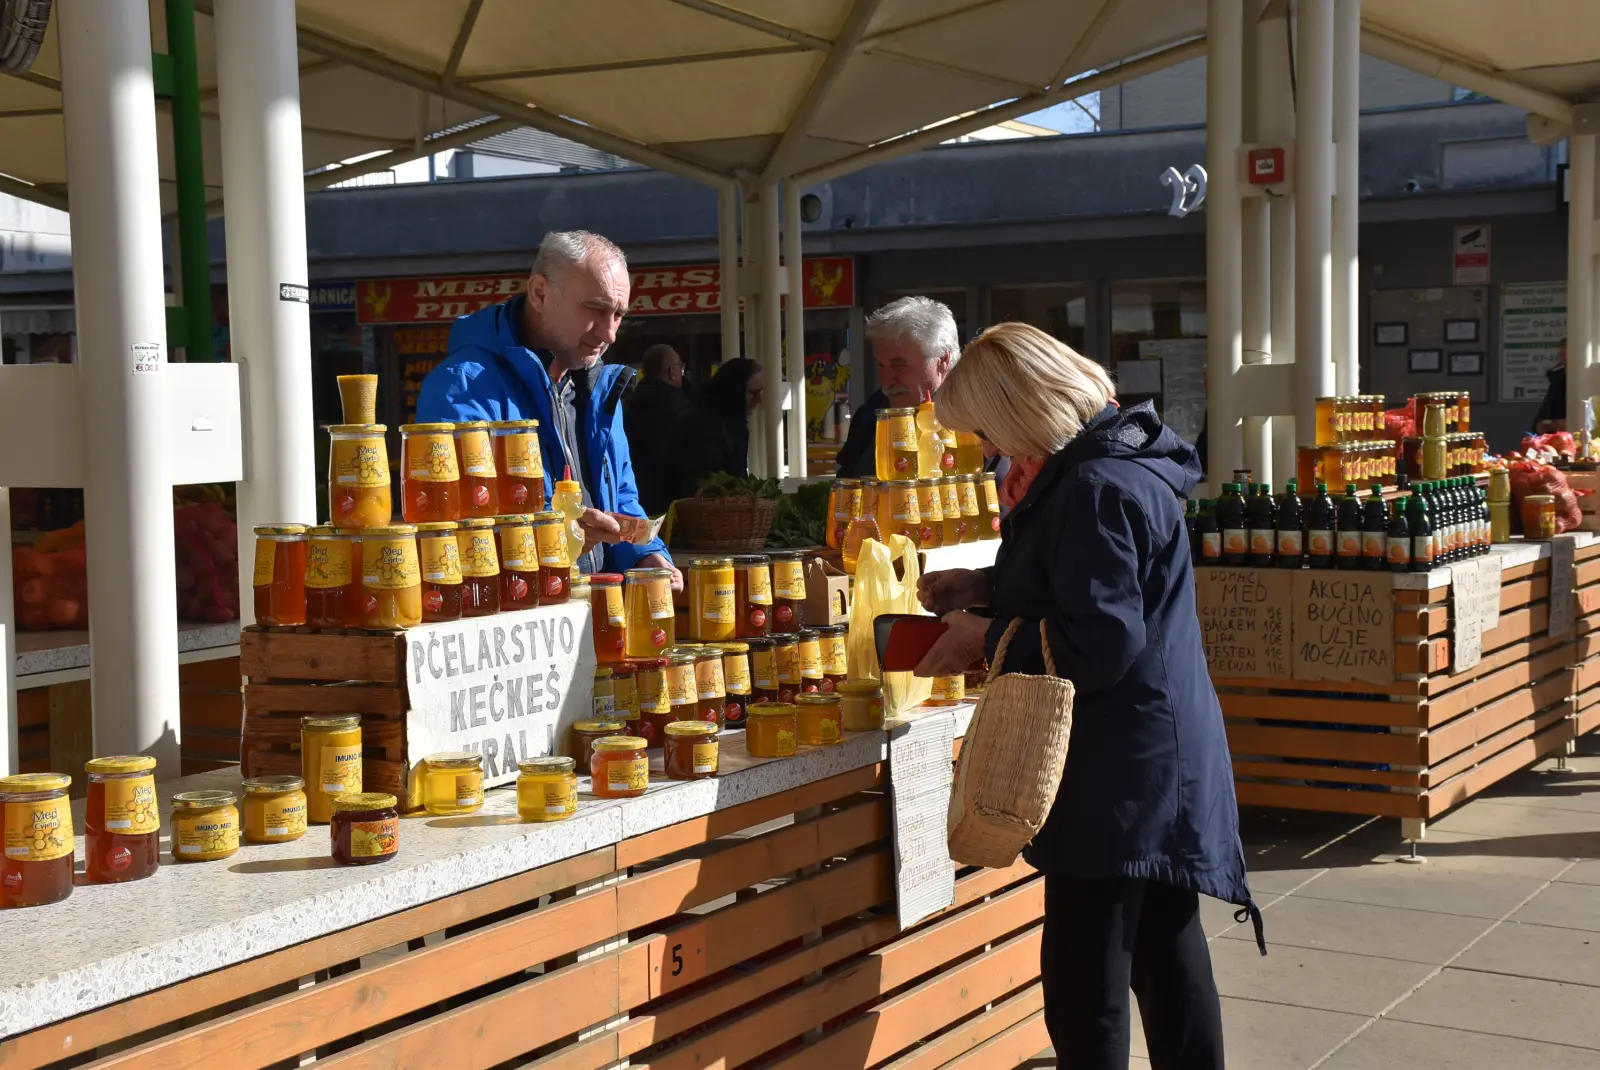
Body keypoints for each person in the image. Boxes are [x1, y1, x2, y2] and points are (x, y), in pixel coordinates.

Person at [914, 322, 1260, 1070]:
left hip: (1120, 768)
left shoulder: (1095, 484)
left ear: (1018, 410)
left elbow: (1101, 639)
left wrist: (987, 633)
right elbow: (1090, 589)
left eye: (983, 429)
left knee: (1085, 982)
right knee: (1166, 954)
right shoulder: (1113, 461)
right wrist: (984, 587)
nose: (984, 447)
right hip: (1155, 750)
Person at [416, 230, 678, 586]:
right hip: (513, 616)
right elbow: (455, 519)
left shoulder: (600, 388)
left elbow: (621, 497)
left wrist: (647, 554)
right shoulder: (463, 385)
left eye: (618, 314)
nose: (610, 333)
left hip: (594, 610)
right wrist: (556, 537)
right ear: (539, 293)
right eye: (597, 309)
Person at [832, 296, 960, 478]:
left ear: (942, 359)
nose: (886, 380)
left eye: (899, 365)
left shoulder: (976, 418)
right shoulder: (870, 415)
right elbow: (848, 483)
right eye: (880, 365)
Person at [663, 358, 764, 503]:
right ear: (735, 392)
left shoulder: (728, 421)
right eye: (752, 393)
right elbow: (702, 481)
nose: (758, 400)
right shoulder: (707, 426)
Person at [626, 344, 693, 514]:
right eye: (680, 367)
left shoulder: (631, 405)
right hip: (672, 500)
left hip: (638, 496)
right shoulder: (680, 408)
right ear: (672, 371)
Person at [1535, 337, 1567, 432]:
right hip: (1556, 441)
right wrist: (1545, 425)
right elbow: (1539, 422)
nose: (1564, 361)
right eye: (1562, 355)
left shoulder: (1590, 382)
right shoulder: (1558, 380)